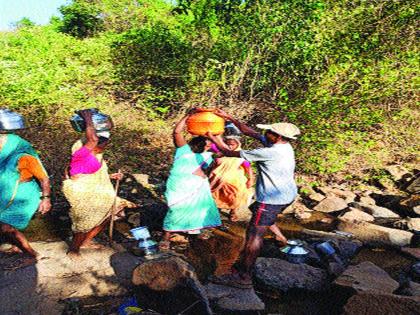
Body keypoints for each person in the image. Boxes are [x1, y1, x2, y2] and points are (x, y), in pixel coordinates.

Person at [207, 109, 300, 288]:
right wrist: (229, 117)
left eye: (269, 132)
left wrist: (214, 138)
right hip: (286, 195)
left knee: (253, 235)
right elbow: (250, 132)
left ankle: (244, 276)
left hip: (271, 199)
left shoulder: (270, 153)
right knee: (257, 213)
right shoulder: (282, 146)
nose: (265, 134)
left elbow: (229, 152)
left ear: (277, 136)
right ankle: (279, 238)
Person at [63, 110, 134, 257]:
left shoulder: (98, 154)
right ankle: (74, 249)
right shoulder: (81, 152)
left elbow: (92, 172)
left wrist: (110, 176)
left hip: (97, 189)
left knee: (111, 212)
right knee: (84, 223)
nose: (105, 145)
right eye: (103, 143)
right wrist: (87, 118)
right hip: (82, 191)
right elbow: (93, 140)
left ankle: (86, 241)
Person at [161, 113, 222, 249]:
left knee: (197, 209)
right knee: (175, 209)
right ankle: (166, 237)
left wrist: (217, 134)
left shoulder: (209, 155)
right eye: (208, 144)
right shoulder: (184, 150)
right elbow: (177, 131)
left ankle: (194, 230)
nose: (210, 146)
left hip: (198, 187)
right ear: (199, 143)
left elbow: (223, 152)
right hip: (179, 186)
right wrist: (187, 116)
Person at [0, 130, 51, 269]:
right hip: (7, 194)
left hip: (24, 195)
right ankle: (17, 246)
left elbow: (44, 178)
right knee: (6, 226)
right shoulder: (3, 156)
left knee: (5, 227)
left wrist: (46, 199)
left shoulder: (24, 157)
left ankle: (32, 255)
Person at [209, 135, 254, 221]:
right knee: (217, 196)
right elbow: (211, 144)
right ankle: (216, 213)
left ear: (238, 144)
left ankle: (233, 211)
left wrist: (250, 179)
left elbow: (248, 168)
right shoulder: (221, 153)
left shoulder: (241, 155)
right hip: (217, 180)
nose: (230, 146)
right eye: (228, 144)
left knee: (235, 197)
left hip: (235, 181)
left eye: (232, 144)